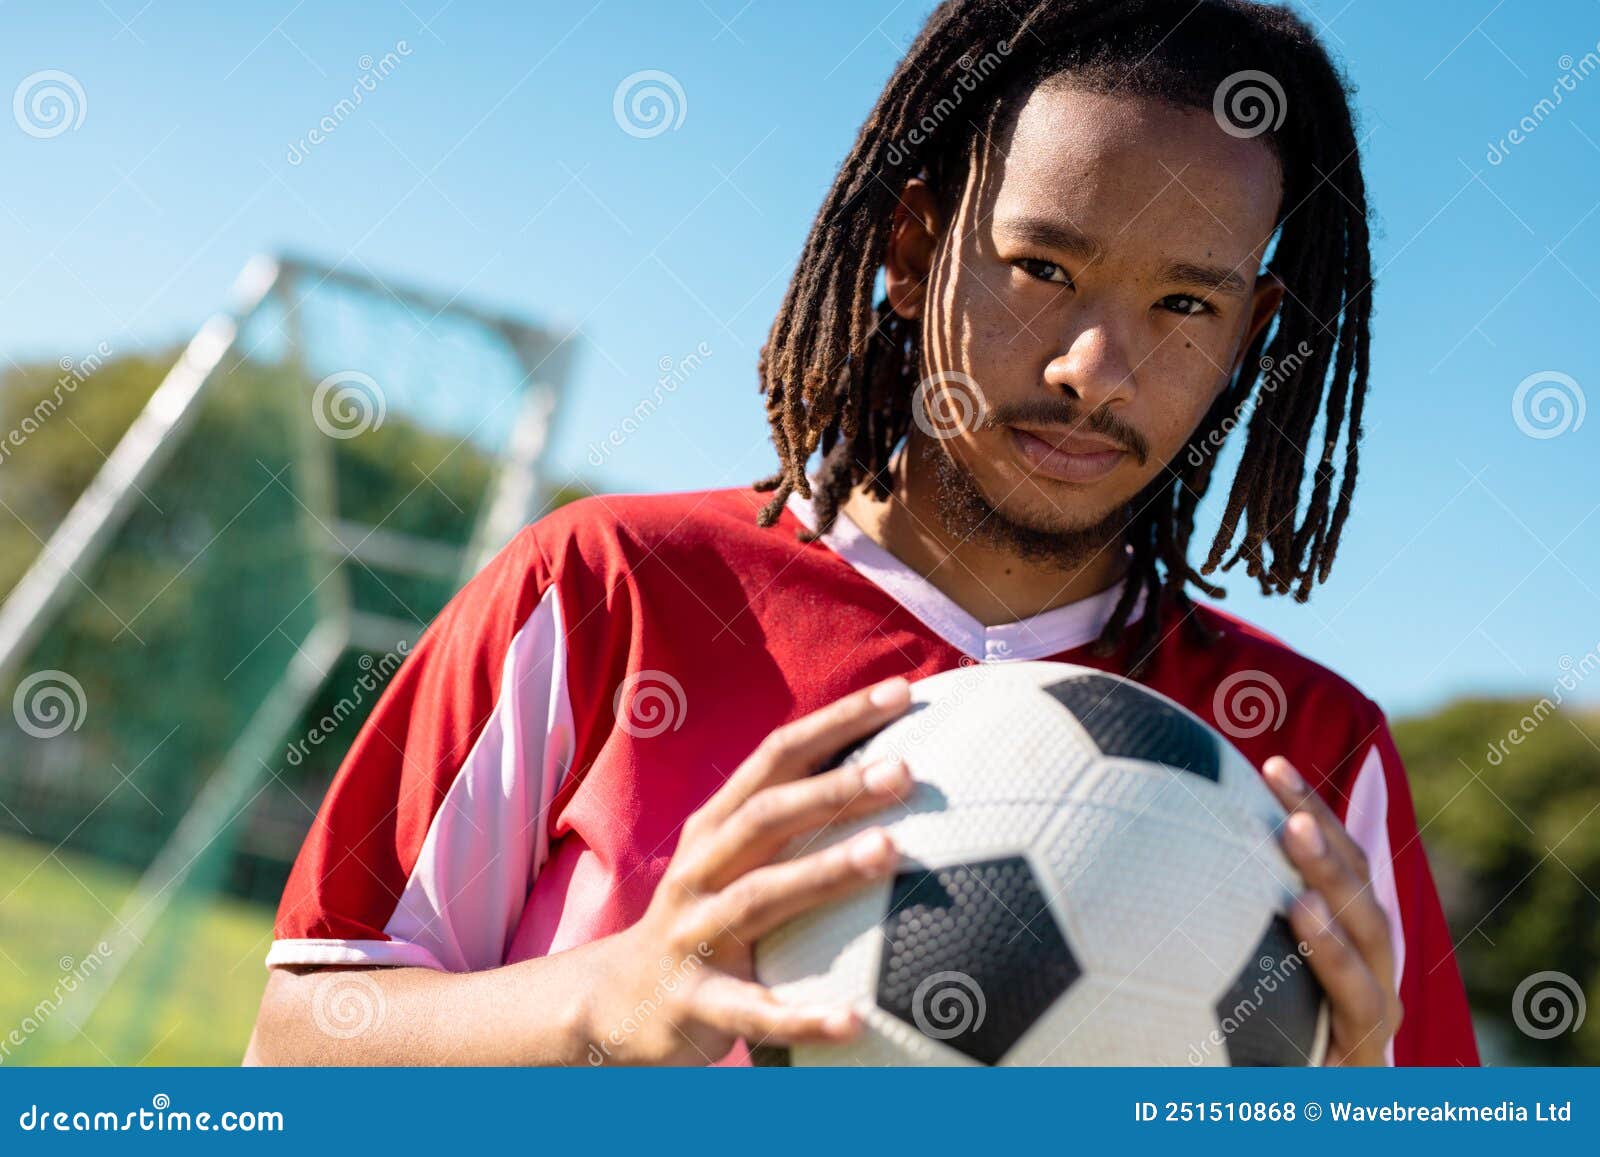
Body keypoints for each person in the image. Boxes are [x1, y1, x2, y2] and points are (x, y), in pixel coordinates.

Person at [246, 0, 1478, 1066]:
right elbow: (293, 1046)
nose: (1097, 369)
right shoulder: (608, 587)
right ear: (910, 246)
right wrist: (608, 1001)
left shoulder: (1312, 757)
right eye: (1042, 267)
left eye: (1185, 301)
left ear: (1249, 331)